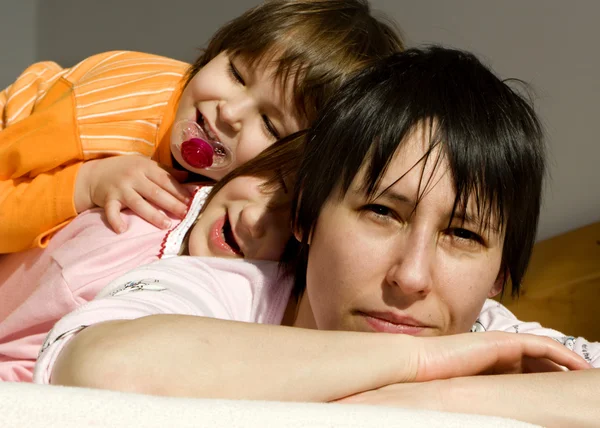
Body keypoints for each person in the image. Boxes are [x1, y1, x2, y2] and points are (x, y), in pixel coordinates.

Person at [34, 47, 599, 426]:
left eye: (463, 235)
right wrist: (421, 361)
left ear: (500, 273)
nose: (412, 277)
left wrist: (436, 396)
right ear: (306, 217)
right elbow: (102, 369)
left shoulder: (485, 335)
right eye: (381, 212)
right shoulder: (222, 291)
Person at [0, 0, 402, 253]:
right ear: (215, 50)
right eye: (236, 73)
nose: (229, 113)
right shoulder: (110, 112)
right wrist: (84, 184)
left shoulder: (266, 192)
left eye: (268, 123)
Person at [0, 134, 302, 382]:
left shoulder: (245, 311)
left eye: (290, 233)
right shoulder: (139, 190)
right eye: (273, 183)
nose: (252, 218)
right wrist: (86, 181)